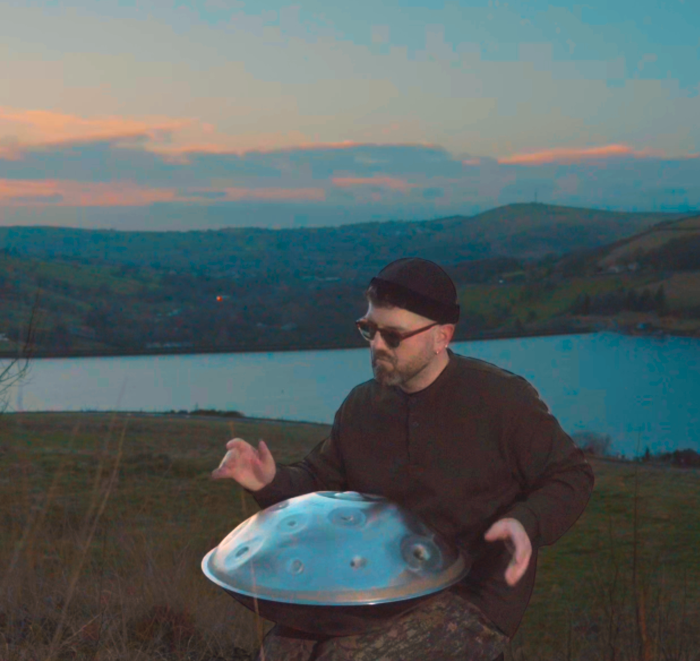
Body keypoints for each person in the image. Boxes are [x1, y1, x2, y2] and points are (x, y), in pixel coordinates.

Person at [211, 257, 594, 661]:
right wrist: (268, 481)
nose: (377, 345)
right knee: (281, 650)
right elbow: (321, 484)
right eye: (369, 330)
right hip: (378, 590)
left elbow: (571, 475)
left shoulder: (502, 400)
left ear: (441, 337)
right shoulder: (362, 405)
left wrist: (526, 522)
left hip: (473, 594)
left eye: (393, 335)